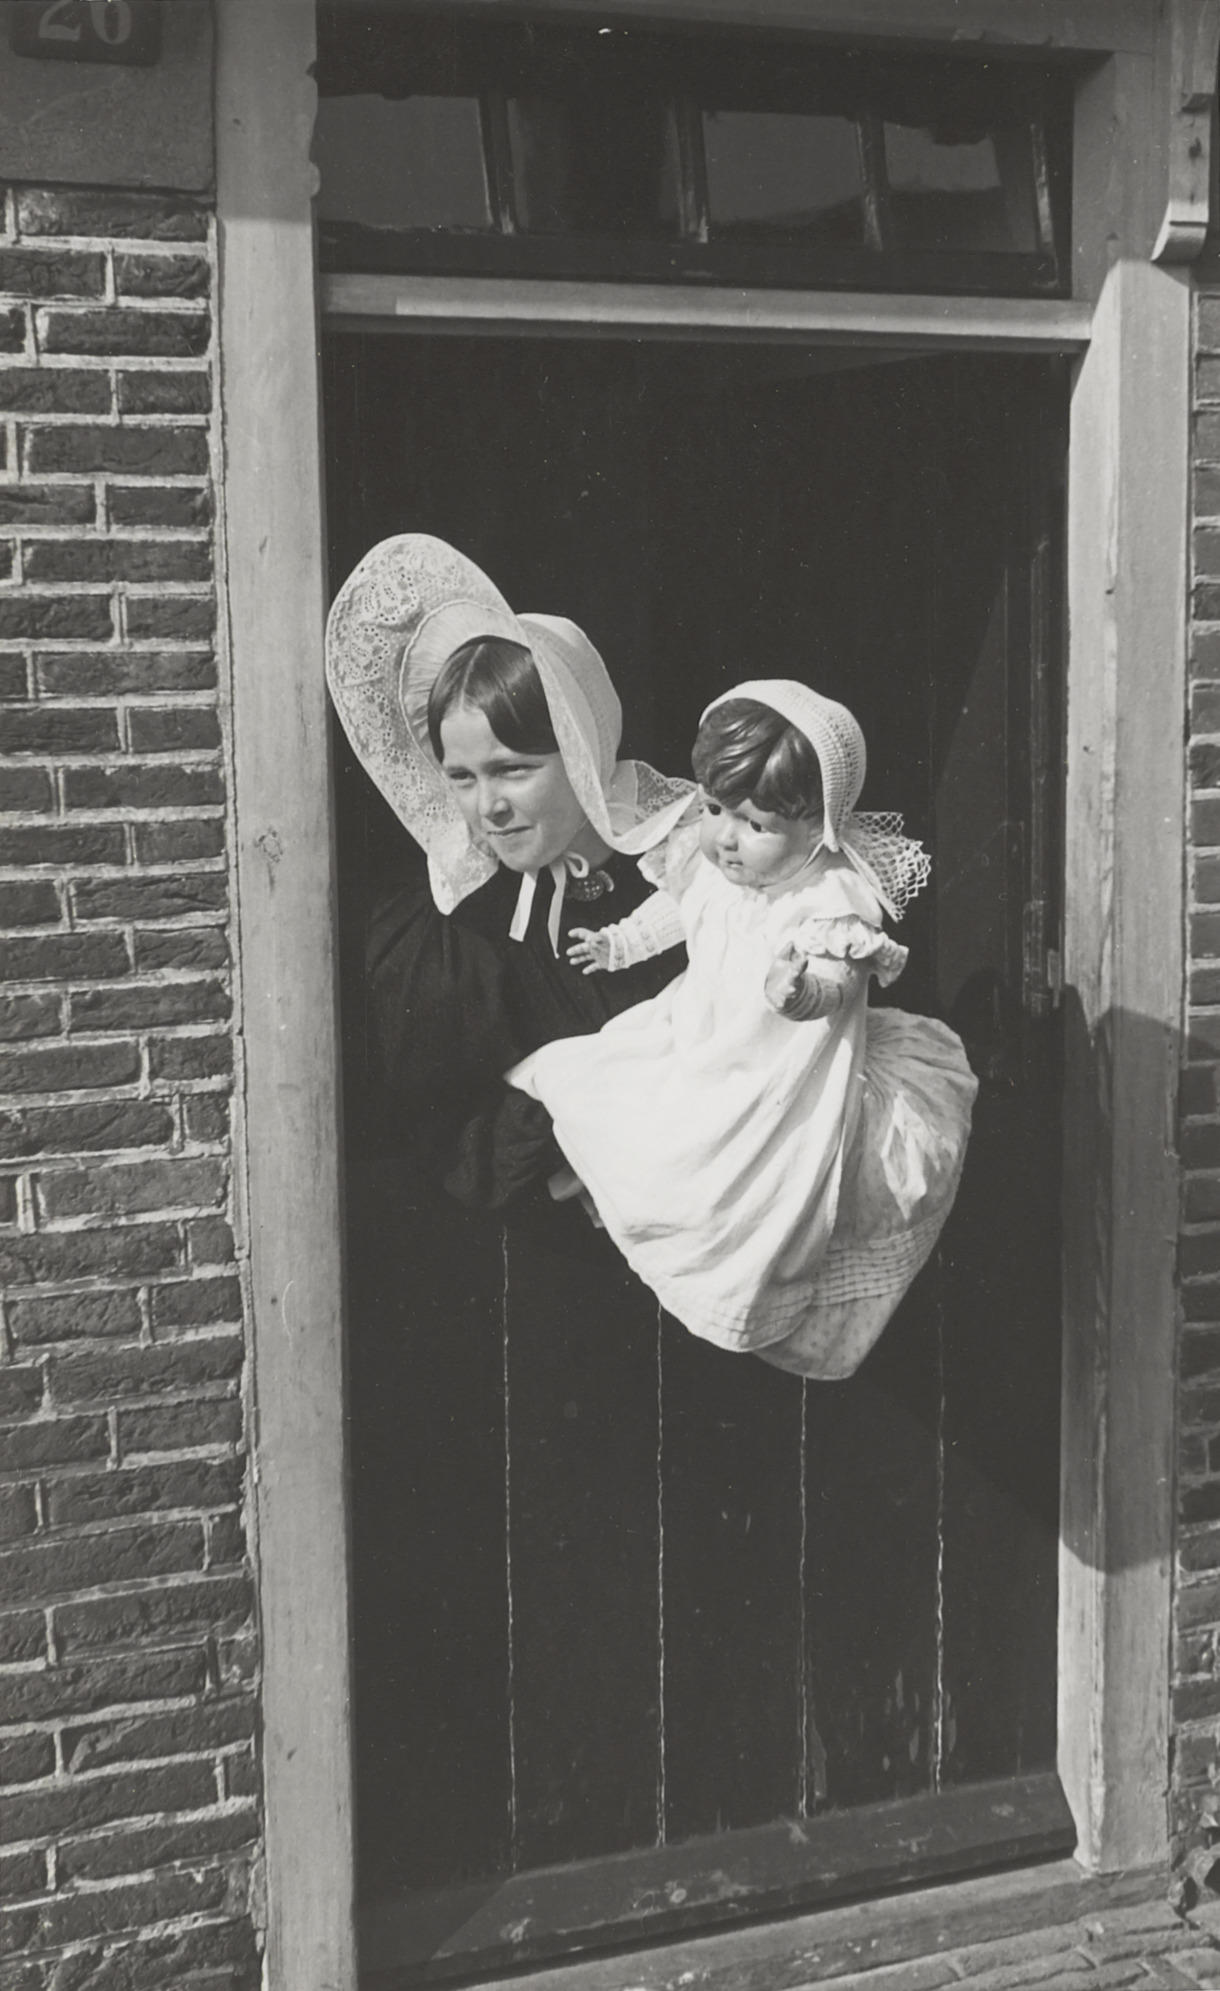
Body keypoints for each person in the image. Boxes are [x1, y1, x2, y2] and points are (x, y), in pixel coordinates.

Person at [509, 681, 979, 1379]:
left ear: (817, 827)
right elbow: (679, 911)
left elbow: (839, 980)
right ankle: (603, 1191)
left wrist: (802, 993)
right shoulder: (713, 865)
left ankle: (729, 1294)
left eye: (755, 825)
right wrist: (620, 943)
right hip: (699, 1031)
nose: (725, 837)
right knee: (604, 1089)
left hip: (781, 1071)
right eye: (713, 809)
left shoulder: (827, 899)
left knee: (735, 1188)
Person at [324, 533, 694, 1228]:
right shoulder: (451, 928)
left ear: (581, 748)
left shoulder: (687, 874)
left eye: (512, 769)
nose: (487, 806)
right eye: (461, 777)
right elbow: (451, 1151)